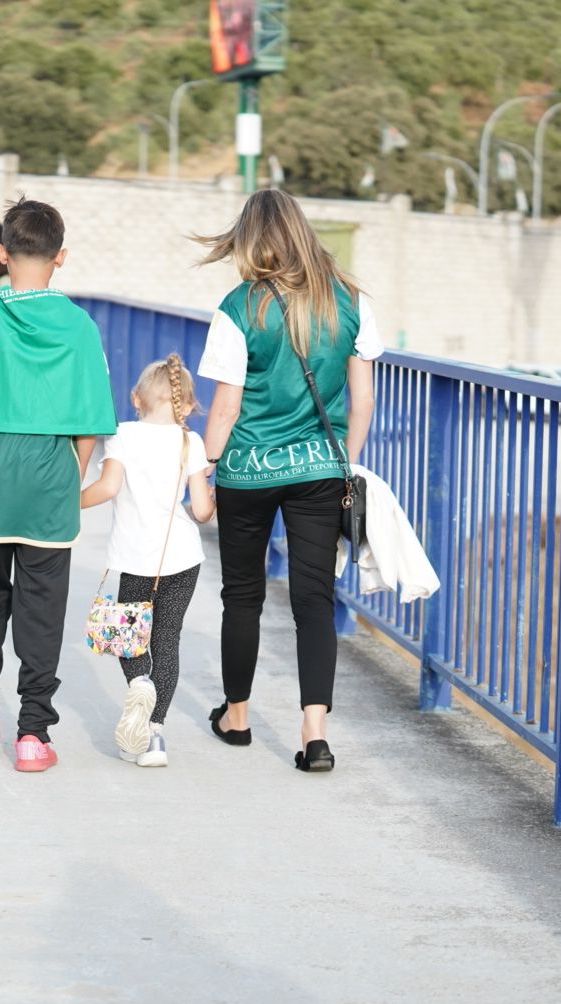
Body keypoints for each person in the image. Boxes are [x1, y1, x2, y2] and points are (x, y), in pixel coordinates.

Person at [0, 197, 117, 773]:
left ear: (2, 254)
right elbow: (90, 425)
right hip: (48, 473)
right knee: (41, 606)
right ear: (61, 257)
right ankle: (33, 733)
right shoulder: (80, 326)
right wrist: (69, 481)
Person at [195, 189, 381, 774]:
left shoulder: (239, 305)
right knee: (313, 600)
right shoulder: (348, 300)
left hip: (248, 470)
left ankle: (239, 717)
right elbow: (364, 397)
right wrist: (342, 459)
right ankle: (314, 733)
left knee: (242, 595)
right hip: (320, 469)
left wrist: (206, 463)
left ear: (250, 240)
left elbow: (225, 405)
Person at [80, 354, 215, 768]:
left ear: (136, 398)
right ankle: (155, 737)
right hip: (182, 557)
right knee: (167, 640)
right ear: (188, 405)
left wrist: (66, 506)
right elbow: (203, 513)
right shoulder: (191, 443)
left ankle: (140, 682)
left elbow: (107, 487)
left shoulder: (122, 434)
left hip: (135, 558)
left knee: (130, 638)